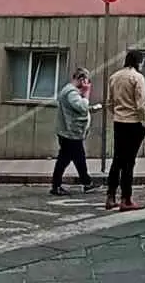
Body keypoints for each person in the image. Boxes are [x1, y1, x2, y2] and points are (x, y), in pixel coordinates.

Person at [106, 50, 145, 211]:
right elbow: (141, 104)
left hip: (119, 121)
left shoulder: (114, 77)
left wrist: (118, 113)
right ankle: (126, 199)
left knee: (117, 159)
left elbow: (109, 103)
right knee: (129, 162)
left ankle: (110, 196)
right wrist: (144, 122)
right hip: (133, 123)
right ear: (138, 62)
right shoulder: (137, 78)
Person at [51, 67, 96, 195]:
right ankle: (85, 183)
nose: (87, 84)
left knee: (73, 158)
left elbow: (76, 108)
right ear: (81, 79)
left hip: (69, 132)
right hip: (70, 133)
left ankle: (85, 183)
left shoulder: (71, 91)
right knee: (72, 159)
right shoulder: (71, 92)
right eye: (86, 81)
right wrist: (86, 93)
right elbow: (81, 107)